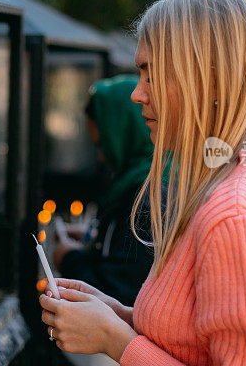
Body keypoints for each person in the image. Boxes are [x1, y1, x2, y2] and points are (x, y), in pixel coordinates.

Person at [39, 0, 246, 366]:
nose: (137, 93)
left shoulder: (234, 217)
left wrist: (115, 340)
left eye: (151, 73)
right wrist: (117, 315)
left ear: (206, 79)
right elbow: (192, 346)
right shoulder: (226, 187)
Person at [53, 75, 168, 307]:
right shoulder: (143, 181)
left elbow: (118, 295)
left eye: (102, 144)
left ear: (124, 132)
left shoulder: (148, 200)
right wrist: (93, 236)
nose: (101, 156)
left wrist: (69, 258)